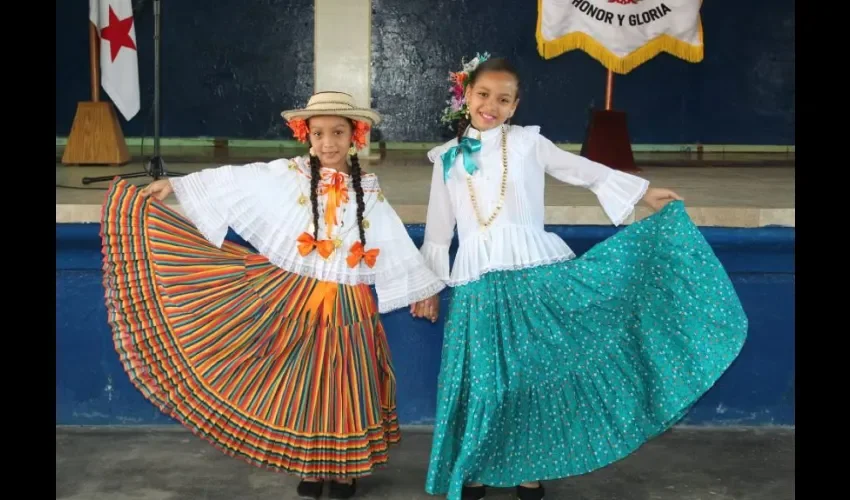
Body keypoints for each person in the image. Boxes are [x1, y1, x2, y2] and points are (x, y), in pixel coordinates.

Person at [414, 55, 749, 500]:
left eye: (503, 98)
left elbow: (581, 170)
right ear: (467, 97)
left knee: (531, 377)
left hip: (534, 275)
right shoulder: (448, 160)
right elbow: (439, 230)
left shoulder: (530, 145)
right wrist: (429, 286)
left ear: (515, 107)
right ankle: (477, 467)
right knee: (488, 382)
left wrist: (644, 194)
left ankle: (526, 467)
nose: (491, 105)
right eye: (483, 95)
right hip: (478, 286)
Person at [99, 91, 446, 499]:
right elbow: (237, 179)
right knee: (305, 382)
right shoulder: (288, 173)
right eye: (319, 133)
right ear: (306, 135)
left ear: (356, 136)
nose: (328, 143)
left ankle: (346, 468)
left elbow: (391, 238)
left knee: (344, 380)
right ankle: (313, 465)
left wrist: (423, 289)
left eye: (338, 132)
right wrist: (176, 185)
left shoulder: (367, 190)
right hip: (296, 296)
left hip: (350, 303)